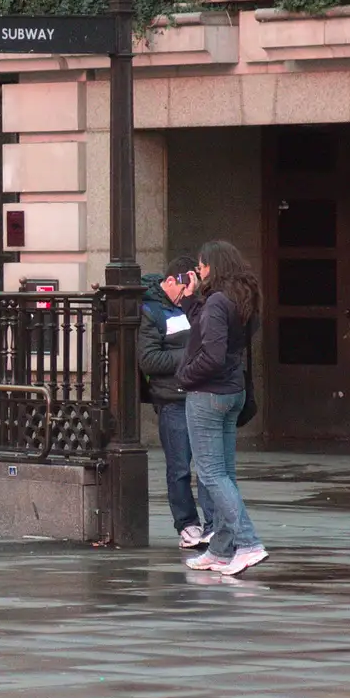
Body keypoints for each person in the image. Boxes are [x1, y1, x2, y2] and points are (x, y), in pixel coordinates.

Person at [176, 240, 267, 576]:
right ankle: (220, 549)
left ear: (212, 266)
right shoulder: (240, 299)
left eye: (200, 267)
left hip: (208, 395)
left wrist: (185, 375)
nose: (198, 272)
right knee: (224, 474)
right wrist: (188, 300)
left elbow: (211, 354)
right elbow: (214, 335)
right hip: (232, 392)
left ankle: (248, 543)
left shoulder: (216, 301)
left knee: (212, 474)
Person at [138, 256, 215, 549]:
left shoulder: (192, 304)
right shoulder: (152, 311)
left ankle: (211, 523)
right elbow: (148, 359)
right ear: (170, 281)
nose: (185, 294)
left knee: (208, 466)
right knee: (180, 466)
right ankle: (187, 524)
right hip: (173, 397)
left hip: (198, 393)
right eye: (183, 288)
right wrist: (191, 356)